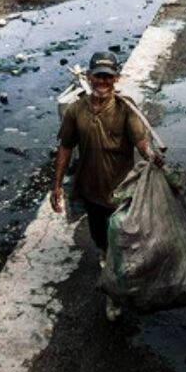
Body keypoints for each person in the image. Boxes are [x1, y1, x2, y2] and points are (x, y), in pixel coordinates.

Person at [50, 51, 162, 320]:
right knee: (102, 241)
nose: (103, 81)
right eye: (98, 76)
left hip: (121, 194)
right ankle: (109, 263)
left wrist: (152, 156)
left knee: (118, 248)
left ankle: (115, 297)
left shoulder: (126, 108)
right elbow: (65, 148)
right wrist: (57, 187)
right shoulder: (76, 111)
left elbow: (141, 142)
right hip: (91, 193)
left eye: (108, 77)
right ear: (89, 77)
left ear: (116, 79)